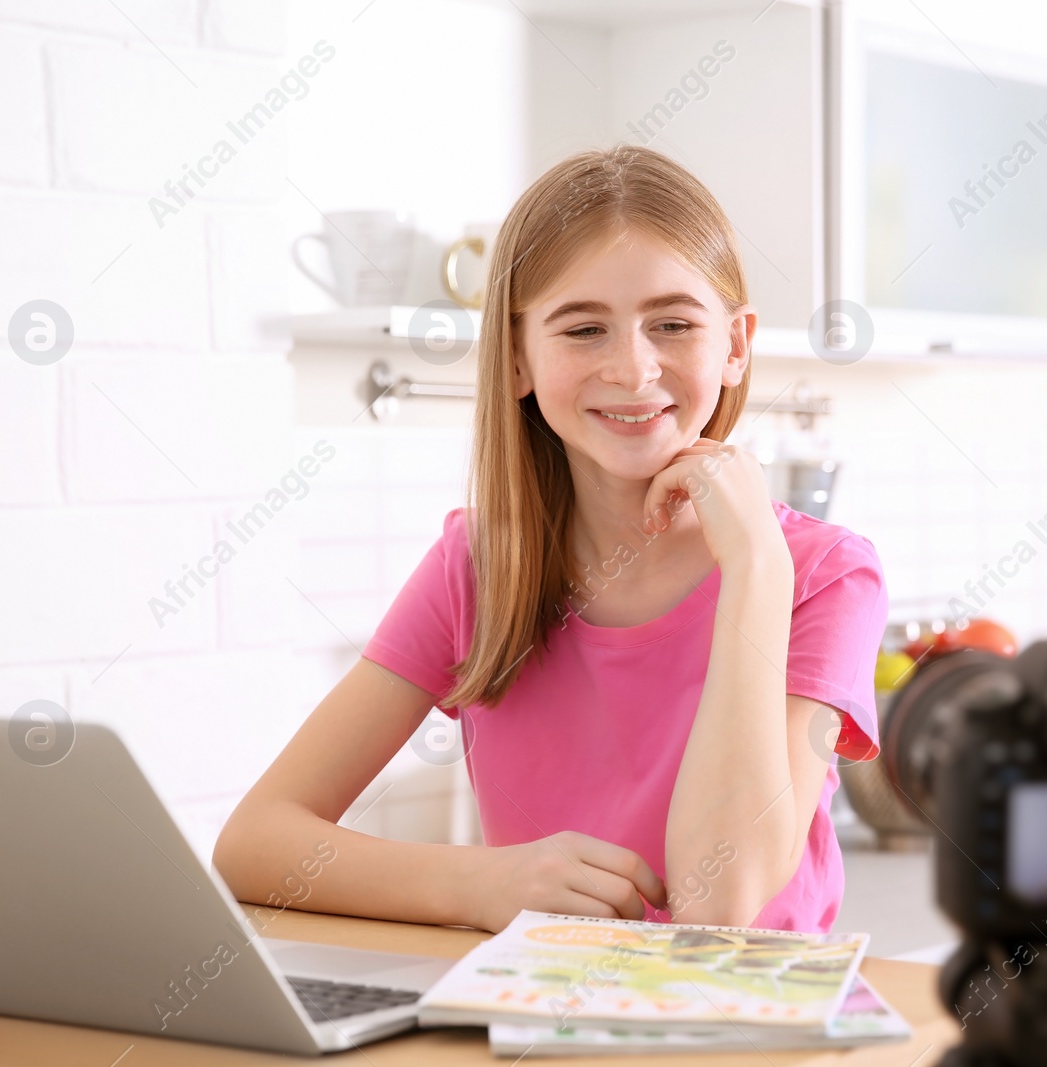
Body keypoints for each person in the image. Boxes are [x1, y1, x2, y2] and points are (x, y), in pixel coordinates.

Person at [214, 145, 887, 934]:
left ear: (736, 345)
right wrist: (481, 884)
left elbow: (717, 906)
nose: (634, 370)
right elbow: (254, 844)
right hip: (537, 1027)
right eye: (583, 329)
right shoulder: (478, 567)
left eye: (672, 324)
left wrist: (756, 567)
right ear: (515, 356)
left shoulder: (820, 576)